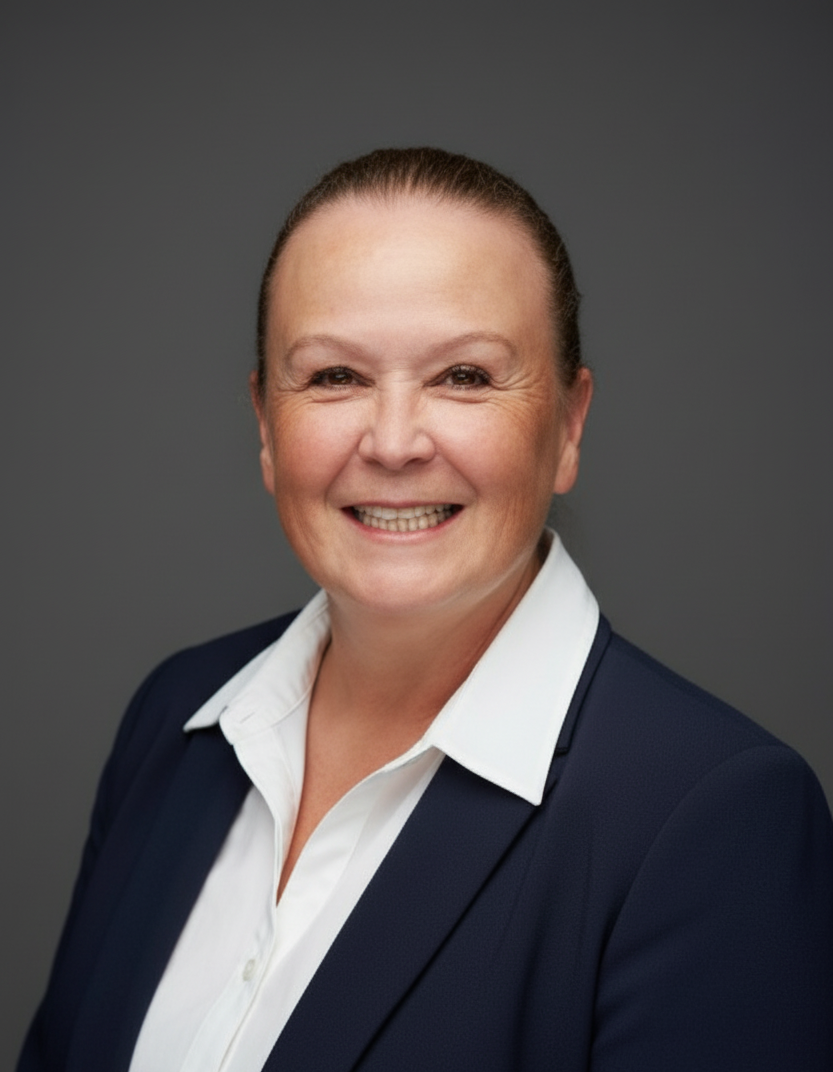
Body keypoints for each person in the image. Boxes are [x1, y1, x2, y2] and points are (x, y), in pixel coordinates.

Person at [18, 148, 833, 1072]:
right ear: (265, 426)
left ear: (568, 426)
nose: (394, 442)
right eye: (334, 376)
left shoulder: (715, 818)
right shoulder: (174, 720)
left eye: (464, 377)